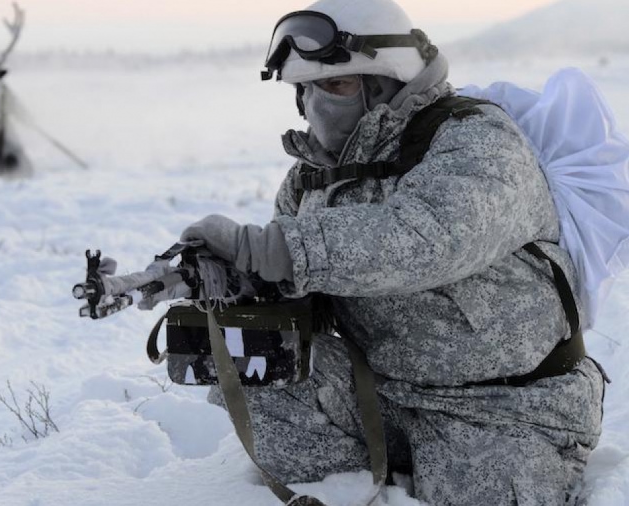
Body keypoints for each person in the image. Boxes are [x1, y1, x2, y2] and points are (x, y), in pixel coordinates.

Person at [168, 0, 606, 504]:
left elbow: (425, 239)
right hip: (385, 392)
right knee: (255, 364)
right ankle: (356, 488)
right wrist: (232, 280)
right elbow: (305, 292)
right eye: (304, 89)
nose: (315, 103)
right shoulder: (312, 177)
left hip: (505, 406)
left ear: (385, 82)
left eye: (336, 84)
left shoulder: (475, 138)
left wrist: (269, 248)